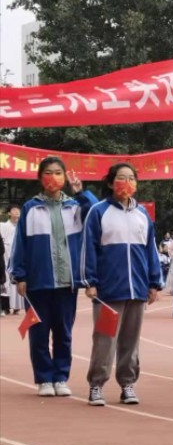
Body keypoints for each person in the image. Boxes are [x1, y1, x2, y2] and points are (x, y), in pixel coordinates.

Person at [10, 157, 97, 396]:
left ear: (65, 177)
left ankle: (60, 377)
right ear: (40, 177)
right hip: (38, 281)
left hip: (67, 282)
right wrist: (20, 275)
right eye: (48, 173)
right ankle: (44, 379)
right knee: (38, 333)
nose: (53, 177)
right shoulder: (31, 207)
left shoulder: (74, 206)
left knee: (63, 333)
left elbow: (96, 213)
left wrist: (81, 192)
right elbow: (21, 244)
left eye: (59, 173)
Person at [81, 163, 163, 406]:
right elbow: (89, 248)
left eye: (131, 178)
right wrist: (90, 281)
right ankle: (97, 384)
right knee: (105, 338)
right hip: (108, 290)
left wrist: (153, 282)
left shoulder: (142, 215)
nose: (126, 182)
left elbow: (151, 250)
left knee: (131, 340)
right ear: (110, 183)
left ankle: (127, 383)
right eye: (121, 178)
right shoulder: (98, 212)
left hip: (137, 289)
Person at [2, 205, 24, 314]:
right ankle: (6, 306)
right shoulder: (3, 226)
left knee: (17, 278)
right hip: (6, 254)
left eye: (18, 211)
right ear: (9, 213)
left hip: (17, 254)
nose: (16, 213)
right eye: (14, 211)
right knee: (6, 279)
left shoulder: (22, 226)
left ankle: (16, 306)